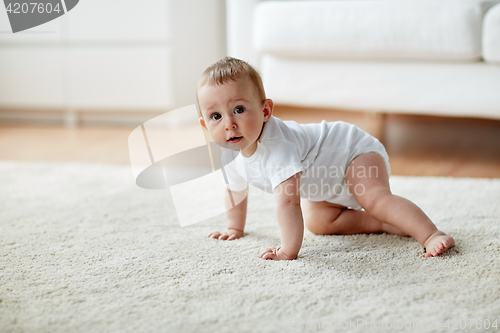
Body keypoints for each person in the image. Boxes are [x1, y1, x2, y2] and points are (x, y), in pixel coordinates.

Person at [196, 57, 454, 261]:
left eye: (239, 110)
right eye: (216, 116)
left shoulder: (277, 145)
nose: (229, 124)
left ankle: (431, 234)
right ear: (205, 125)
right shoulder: (230, 151)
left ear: (265, 111)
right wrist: (234, 227)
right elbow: (234, 190)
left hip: (351, 152)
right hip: (323, 179)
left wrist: (288, 250)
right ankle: (380, 224)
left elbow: (288, 203)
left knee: (376, 199)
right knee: (319, 222)